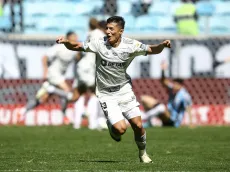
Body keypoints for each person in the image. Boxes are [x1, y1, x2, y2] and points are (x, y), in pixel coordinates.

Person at [56, 16, 171, 163]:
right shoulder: (99, 44)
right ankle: (112, 126)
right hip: (106, 94)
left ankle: (143, 153)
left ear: (121, 31)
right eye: (107, 28)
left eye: (112, 29)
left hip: (124, 90)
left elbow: (151, 49)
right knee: (120, 129)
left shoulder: (131, 45)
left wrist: (162, 45)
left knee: (138, 125)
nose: (108, 32)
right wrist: (66, 43)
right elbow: (77, 46)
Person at [19, 31, 81, 124]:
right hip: (53, 73)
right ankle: (64, 116)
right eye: (74, 37)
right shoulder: (59, 47)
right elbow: (44, 57)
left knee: (42, 98)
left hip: (60, 75)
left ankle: (23, 111)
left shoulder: (74, 49)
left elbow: (78, 57)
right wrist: (45, 71)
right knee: (67, 92)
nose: (76, 38)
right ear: (68, 38)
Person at [73, 18, 107, 130]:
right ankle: (89, 117)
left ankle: (77, 124)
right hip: (89, 67)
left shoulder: (89, 33)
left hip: (82, 65)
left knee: (81, 92)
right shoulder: (99, 34)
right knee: (94, 93)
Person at [141, 61, 193, 127]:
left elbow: (188, 108)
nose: (174, 85)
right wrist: (163, 70)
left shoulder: (184, 95)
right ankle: (149, 122)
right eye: (174, 83)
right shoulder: (172, 88)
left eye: (176, 84)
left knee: (161, 108)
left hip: (173, 121)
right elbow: (164, 81)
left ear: (180, 85)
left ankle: (143, 117)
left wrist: (191, 123)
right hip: (167, 116)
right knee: (144, 98)